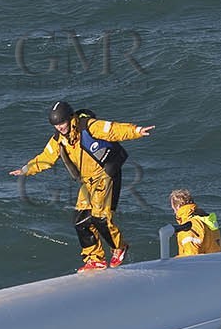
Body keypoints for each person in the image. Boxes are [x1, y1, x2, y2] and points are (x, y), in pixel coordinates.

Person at [11, 100, 154, 270]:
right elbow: (45, 158)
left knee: (100, 217)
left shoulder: (89, 126)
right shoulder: (59, 140)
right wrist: (26, 169)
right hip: (87, 182)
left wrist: (136, 131)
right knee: (80, 221)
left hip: (104, 175)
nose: (60, 127)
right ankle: (95, 259)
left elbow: (113, 130)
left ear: (70, 118)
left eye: (62, 123)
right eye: (56, 125)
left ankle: (119, 247)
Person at [169, 189, 221, 256]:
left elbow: (190, 258)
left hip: (202, 265)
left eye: (173, 209)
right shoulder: (206, 219)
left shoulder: (187, 227)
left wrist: (174, 261)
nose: (174, 212)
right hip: (215, 262)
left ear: (178, 207)